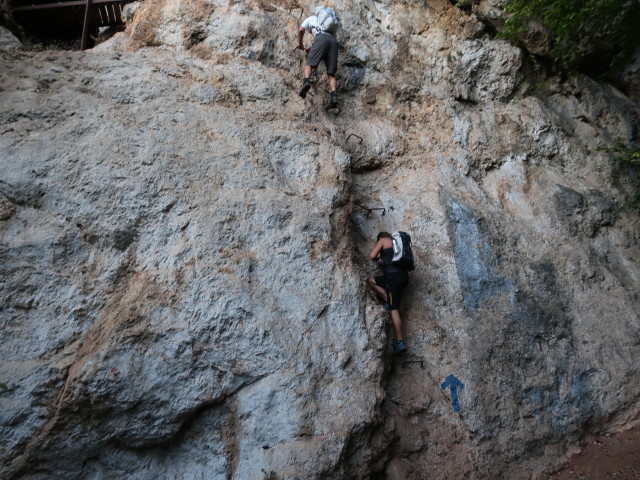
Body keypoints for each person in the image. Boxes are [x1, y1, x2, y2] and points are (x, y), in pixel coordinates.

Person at [368, 232, 409, 355]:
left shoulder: (383, 240)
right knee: (371, 281)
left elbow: (372, 256)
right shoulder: (398, 246)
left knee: (394, 310)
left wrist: (378, 257)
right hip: (403, 277)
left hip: (393, 278)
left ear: (379, 238)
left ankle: (400, 342)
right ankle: (388, 299)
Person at [296, 6, 339, 109]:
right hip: (333, 41)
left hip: (322, 39)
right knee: (331, 74)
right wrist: (310, 49)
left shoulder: (311, 19)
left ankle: (306, 82)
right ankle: (334, 97)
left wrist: (301, 44)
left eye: (309, 31)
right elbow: (324, 43)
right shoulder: (327, 23)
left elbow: (301, 29)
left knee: (309, 64)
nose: (309, 32)